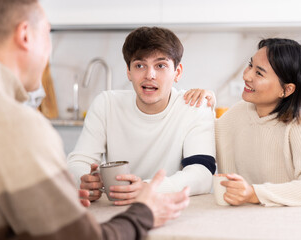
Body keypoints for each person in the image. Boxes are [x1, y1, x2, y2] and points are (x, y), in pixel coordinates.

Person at [0, 0, 190, 239]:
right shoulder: (15, 126)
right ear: (25, 35)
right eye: (47, 34)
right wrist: (145, 213)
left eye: (160, 65)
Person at [67, 27, 216, 205]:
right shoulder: (106, 104)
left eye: (160, 65)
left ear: (177, 72)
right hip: (116, 210)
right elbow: (79, 160)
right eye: (140, 65)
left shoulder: (194, 107)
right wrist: (83, 180)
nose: (149, 75)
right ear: (129, 72)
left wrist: (148, 189)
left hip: (172, 209)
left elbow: (202, 173)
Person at [184, 38, 301, 207]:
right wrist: (205, 106)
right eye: (250, 65)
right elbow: (203, 137)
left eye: (259, 73)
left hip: (290, 222)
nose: (246, 75)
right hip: (247, 217)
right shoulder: (240, 111)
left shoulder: (300, 121)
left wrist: (253, 194)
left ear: (286, 90)